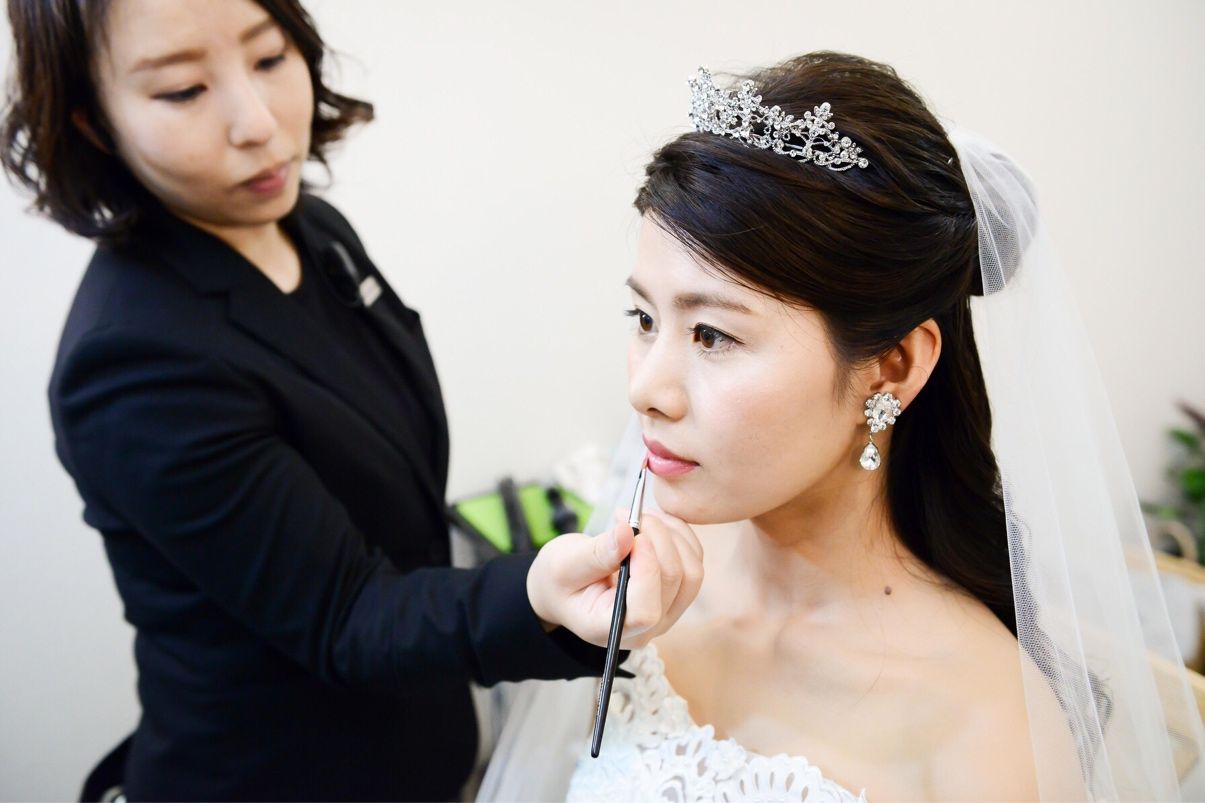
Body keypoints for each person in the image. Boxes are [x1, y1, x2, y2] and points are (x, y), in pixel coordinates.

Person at [0, 0, 704, 800]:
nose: (258, 123)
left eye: (269, 58)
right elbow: (343, 614)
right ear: (93, 122)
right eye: (184, 90)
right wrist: (535, 594)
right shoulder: (132, 361)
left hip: (420, 742)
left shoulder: (307, 227)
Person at [478, 53, 1205, 801]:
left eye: (712, 335)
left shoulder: (988, 726)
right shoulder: (647, 588)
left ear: (891, 367)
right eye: (643, 319)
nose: (645, 390)